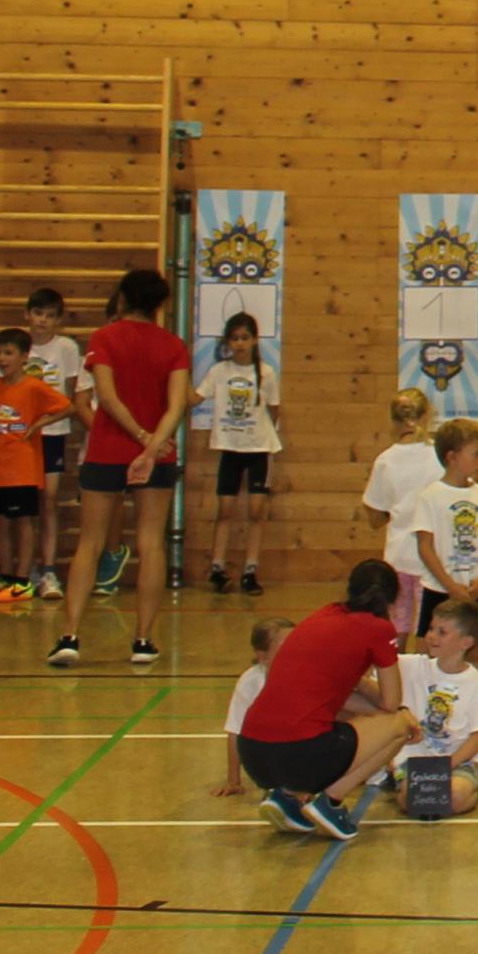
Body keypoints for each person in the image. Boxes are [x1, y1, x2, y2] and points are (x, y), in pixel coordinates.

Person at [54, 266, 189, 669]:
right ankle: (143, 641)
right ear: (160, 304)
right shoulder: (173, 345)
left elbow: (107, 398)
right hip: (157, 454)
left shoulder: (104, 337)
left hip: (109, 450)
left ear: (124, 298)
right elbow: (177, 405)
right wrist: (153, 445)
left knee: (90, 543)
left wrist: (141, 439)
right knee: (151, 544)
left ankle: (69, 636)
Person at [235, 560, 416, 838]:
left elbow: (335, 698)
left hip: (252, 752)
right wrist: (369, 688)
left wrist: (358, 687)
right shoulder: (379, 629)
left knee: (374, 718)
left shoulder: (324, 614)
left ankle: (287, 797)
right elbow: (391, 703)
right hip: (298, 753)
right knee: (401, 724)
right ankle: (330, 803)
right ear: (392, 599)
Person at [390, 420, 478, 634]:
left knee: (473, 643)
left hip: (476, 590)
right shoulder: (430, 496)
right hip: (439, 587)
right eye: (476, 454)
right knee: (431, 643)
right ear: (452, 457)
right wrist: (450, 586)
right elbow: (425, 547)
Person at [0, 326, 68, 597]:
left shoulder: (34, 386)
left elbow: (67, 406)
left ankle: (23, 579)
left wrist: (38, 424)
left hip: (23, 467)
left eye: (8, 353)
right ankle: (5, 576)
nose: (2, 359)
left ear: (25, 356)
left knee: (23, 521)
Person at [396, 597, 478, 816]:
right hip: (417, 762)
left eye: (442, 632)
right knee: (413, 801)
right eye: (431, 629)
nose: (431, 636)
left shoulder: (477, 682)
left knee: (452, 798)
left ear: (465, 642)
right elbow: (380, 660)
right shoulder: (413, 666)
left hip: (460, 762)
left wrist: (447, 765)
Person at [200, 314, 281, 595]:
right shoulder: (219, 371)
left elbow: (274, 408)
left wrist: (261, 432)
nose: (240, 344)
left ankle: (250, 570)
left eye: (245, 338)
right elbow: (196, 397)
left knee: (256, 510)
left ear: (255, 340)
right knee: (225, 509)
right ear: (228, 342)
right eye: (234, 338)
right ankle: (217, 568)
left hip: (259, 448)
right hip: (230, 448)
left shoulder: (266, 373)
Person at [20, 287, 86, 603]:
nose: (42, 321)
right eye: (38, 313)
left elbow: (73, 399)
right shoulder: (18, 345)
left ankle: (48, 570)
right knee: (24, 505)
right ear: (27, 315)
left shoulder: (67, 348)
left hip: (53, 433)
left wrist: (44, 421)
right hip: (21, 437)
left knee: (48, 499)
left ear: (58, 320)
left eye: (49, 316)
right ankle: (24, 571)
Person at [361, 389, 440, 624]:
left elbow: (375, 517)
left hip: (399, 557)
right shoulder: (441, 456)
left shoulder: (385, 460)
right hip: (435, 559)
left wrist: (396, 511)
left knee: (398, 627)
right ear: (427, 416)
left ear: (393, 420)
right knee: (429, 627)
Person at [216, 617, 290, 798]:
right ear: (262, 656)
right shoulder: (250, 682)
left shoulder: (310, 673)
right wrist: (233, 781)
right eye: (285, 648)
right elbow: (235, 731)